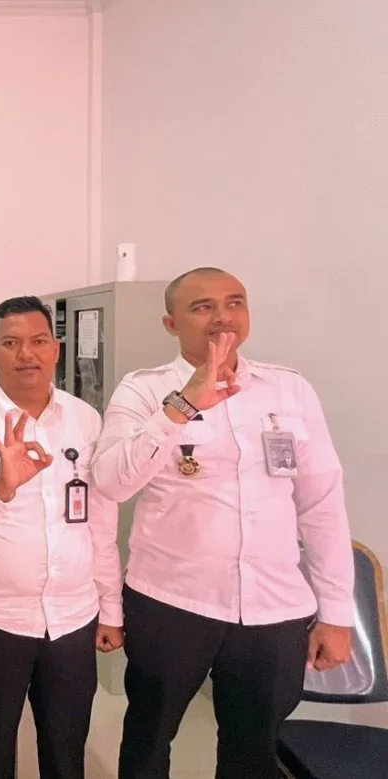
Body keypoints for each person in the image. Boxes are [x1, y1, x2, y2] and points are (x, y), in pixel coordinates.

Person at [91, 267, 355, 779]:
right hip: (172, 601)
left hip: (273, 607)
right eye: (203, 307)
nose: (223, 317)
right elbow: (112, 481)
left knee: (253, 749)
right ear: (171, 323)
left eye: (235, 302)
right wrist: (184, 403)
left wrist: (337, 613)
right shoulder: (145, 390)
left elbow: (322, 505)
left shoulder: (288, 390)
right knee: (149, 737)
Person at [0, 296, 123, 779]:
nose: (26, 354)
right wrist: (0, 489)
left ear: (56, 349)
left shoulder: (86, 419)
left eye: (38, 341)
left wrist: (111, 607)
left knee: (66, 750)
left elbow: (101, 523)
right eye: (11, 343)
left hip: (73, 617)